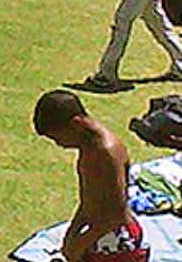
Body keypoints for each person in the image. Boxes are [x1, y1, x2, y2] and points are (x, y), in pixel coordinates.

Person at [34, 90, 149, 262]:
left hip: (116, 240)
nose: (60, 144)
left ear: (75, 124)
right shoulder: (88, 145)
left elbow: (116, 215)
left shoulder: (105, 152)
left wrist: (79, 244)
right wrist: (72, 234)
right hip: (99, 231)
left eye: (57, 138)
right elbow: (90, 197)